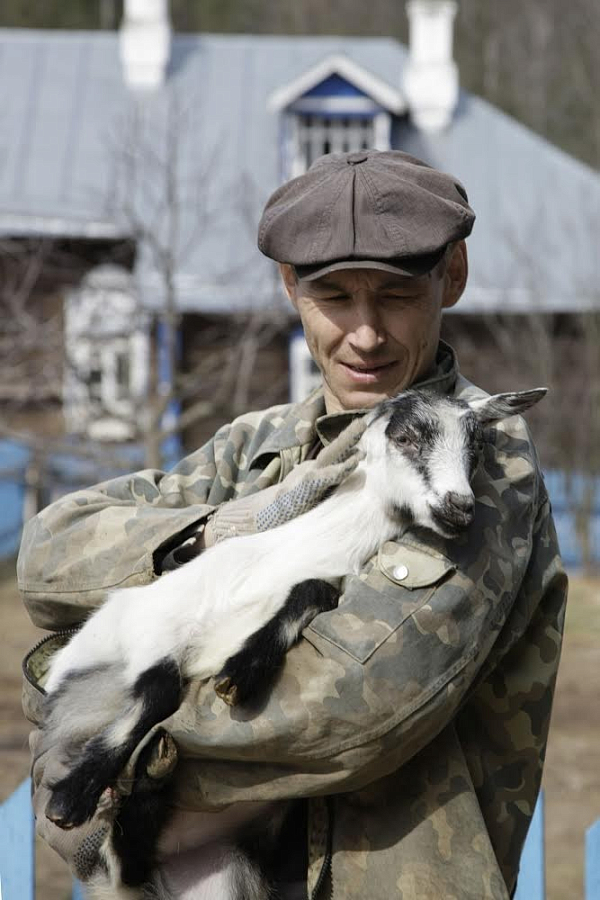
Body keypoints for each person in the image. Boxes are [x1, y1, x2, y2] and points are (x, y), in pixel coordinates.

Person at [19, 150, 567, 900]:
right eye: (334, 296)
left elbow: (352, 706)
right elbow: (48, 556)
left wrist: (112, 753)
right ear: (289, 287)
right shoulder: (255, 448)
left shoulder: (479, 462)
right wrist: (217, 531)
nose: (365, 334)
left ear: (454, 276)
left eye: (398, 295)